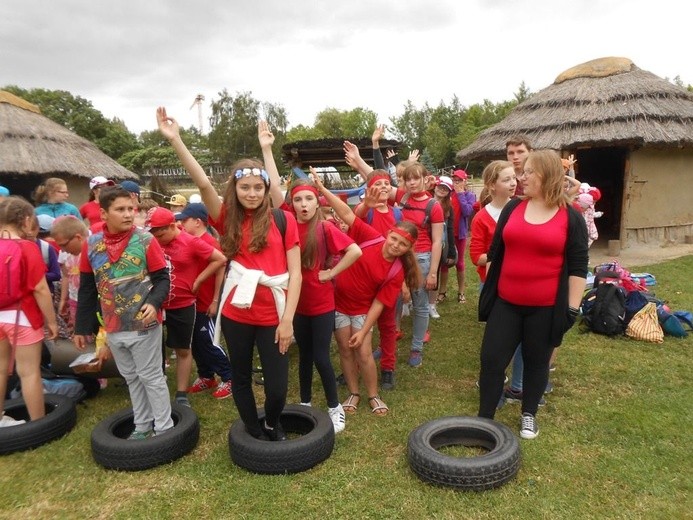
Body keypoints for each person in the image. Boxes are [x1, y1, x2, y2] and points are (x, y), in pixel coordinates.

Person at [157, 106, 301, 442]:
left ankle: (272, 421)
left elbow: (296, 275)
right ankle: (252, 428)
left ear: (266, 191)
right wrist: (177, 139)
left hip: (274, 314)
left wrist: (287, 320)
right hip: (238, 312)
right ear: (235, 190)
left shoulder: (284, 220)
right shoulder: (227, 219)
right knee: (239, 375)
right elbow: (203, 183)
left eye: (257, 187)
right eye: (245, 187)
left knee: (278, 387)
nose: (251, 193)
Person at [477, 150, 588, 440]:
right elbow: (495, 251)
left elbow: (578, 267)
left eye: (528, 173)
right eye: (521, 172)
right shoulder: (513, 209)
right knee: (491, 359)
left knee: (537, 362)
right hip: (506, 303)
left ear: (547, 175)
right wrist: (490, 288)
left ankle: (528, 414)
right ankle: (485, 416)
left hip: (545, 307)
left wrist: (572, 309)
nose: (521, 178)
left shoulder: (570, 217)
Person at [312, 170, 422, 416]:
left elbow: (380, 304)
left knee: (363, 352)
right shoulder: (371, 237)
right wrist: (322, 189)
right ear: (390, 233)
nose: (395, 245)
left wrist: (363, 331)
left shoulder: (396, 270)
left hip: (362, 309)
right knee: (344, 349)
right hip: (339, 303)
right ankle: (354, 392)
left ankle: (373, 394)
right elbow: (346, 213)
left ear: (407, 249)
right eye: (394, 239)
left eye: (402, 245)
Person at [74, 186, 174, 440]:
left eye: (131, 209)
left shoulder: (145, 240)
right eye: (120, 209)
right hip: (114, 324)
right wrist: (83, 327)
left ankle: (164, 428)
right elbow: (87, 287)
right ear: (104, 213)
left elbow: (162, 278)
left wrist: (154, 303)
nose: (129, 214)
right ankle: (142, 425)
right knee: (131, 376)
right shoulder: (91, 245)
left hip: (144, 322)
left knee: (151, 376)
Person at [285, 178, 361, 432]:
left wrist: (330, 273)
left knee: (320, 356)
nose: (303, 205)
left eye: (308, 199)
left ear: (317, 203)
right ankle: (305, 403)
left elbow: (355, 251)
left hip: (321, 303)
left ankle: (334, 407)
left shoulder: (325, 228)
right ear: (291, 203)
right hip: (297, 304)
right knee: (304, 356)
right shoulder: (287, 226)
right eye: (298, 200)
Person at [146, 206, 227, 408]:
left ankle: (225, 377)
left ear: (173, 225)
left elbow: (220, 261)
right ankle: (203, 376)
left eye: (160, 232)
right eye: (152, 232)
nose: (156, 237)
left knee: (193, 344)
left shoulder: (192, 242)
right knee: (158, 348)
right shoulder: (151, 243)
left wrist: (200, 281)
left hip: (185, 303)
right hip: (155, 303)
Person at [0, 196, 59, 426]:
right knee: (29, 372)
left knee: (1, 368)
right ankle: (38, 424)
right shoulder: (27, 247)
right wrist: (51, 321)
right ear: (26, 220)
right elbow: (40, 288)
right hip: (22, 316)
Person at [175, 203, 234, 400]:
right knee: (197, 343)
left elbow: (221, 272)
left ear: (198, 222)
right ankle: (206, 375)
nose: (181, 224)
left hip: (207, 302)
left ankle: (229, 376)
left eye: (184, 220)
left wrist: (215, 300)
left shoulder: (210, 243)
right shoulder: (189, 241)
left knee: (209, 342)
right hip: (193, 302)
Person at [51, 216, 89, 329]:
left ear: (78, 237)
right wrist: (63, 299)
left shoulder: (95, 252)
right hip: (75, 298)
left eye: (63, 245)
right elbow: (66, 277)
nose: (62, 250)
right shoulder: (66, 254)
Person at [428, 175, 457, 318]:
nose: (442, 190)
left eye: (446, 188)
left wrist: (451, 252)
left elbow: (450, 229)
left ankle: (431, 304)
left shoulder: (448, 208)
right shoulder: (425, 200)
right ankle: (409, 303)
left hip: (439, 243)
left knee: (435, 272)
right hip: (423, 242)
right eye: (440, 186)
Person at [447, 169, 476, 304]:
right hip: (447, 233)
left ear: (465, 181)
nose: (456, 183)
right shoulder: (448, 193)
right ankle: (442, 292)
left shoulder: (469, 195)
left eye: (459, 180)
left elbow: (467, 212)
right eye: (454, 180)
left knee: (459, 263)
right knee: (444, 262)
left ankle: (461, 292)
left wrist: (460, 195)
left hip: (461, 234)